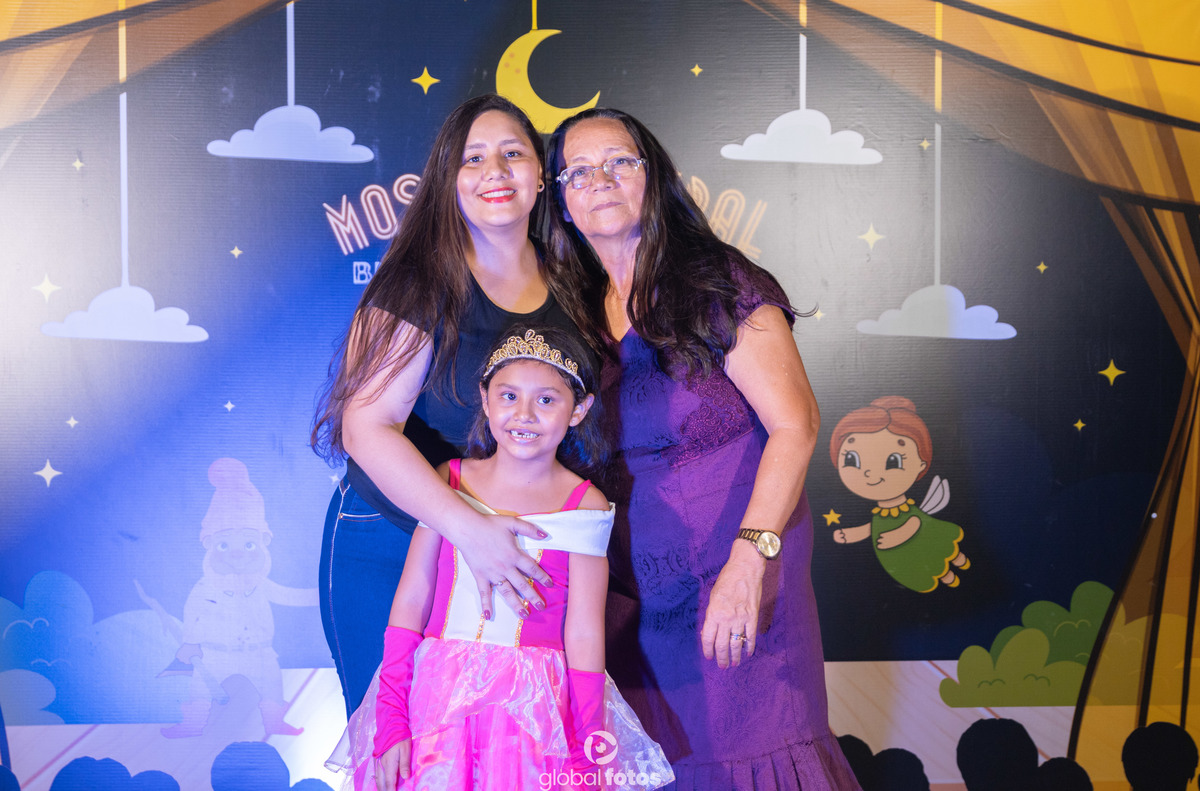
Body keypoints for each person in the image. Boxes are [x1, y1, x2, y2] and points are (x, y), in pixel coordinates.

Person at [545, 108, 861, 787]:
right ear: (563, 202)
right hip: (628, 601)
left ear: (653, 176)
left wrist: (748, 564)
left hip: (738, 570)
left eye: (620, 162)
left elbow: (797, 424)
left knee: (757, 752)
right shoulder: (570, 310)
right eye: (579, 171)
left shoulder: (719, 282)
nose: (601, 180)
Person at [311, 94, 592, 717]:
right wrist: (470, 530)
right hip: (391, 539)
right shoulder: (419, 281)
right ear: (448, 181)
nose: (496, 171)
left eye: (513, 153)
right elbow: (365, 427)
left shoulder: (574, 282)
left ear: (540, 175)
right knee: (400, 748)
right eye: (473, 158)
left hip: (516, 551)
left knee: (496, 752)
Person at [326, 327, 672, 791]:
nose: (524, 414)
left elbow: (585, 632)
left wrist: (587, 745)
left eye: (546, 400)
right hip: (437, 703)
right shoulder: (448, 481)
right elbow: (411, 600)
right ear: (485, 400)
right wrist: (391, 716)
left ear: (579, 409)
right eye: (509, 395)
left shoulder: (585, 506)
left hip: (534, 714)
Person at [829, 397, 969, 592]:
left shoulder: (906, 510)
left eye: (893, 462)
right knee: (926, 569)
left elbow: (915, 522)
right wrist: (852, 534)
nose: (869, 473)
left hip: (922, 540)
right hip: (895, 563)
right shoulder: (879, 516)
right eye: (852, 459)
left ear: (921, 464)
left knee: (941, 555)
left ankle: (962, 572)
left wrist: (898, 536)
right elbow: (872, 528)